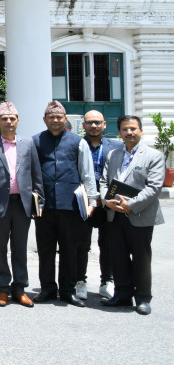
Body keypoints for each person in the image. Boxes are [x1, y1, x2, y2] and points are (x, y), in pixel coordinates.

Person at [32, 100, 97, 307]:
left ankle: (68, 290)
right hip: (44, 206)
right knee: (45, 250)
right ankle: (47, 289)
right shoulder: (35, 141)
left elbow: (87, 174)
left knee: (70, 250)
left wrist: (92, 200)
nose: (55, 120)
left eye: (59, 117)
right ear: (44, 120)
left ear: (65, 119)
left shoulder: (78, 142)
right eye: (51, 117)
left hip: (71, 206)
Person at [0, 102, 43, 308]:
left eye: (12, 118)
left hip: (22, 204)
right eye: (4, 119)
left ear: (18, 121)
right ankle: (2, 288)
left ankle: (19, 289)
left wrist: (39, 202)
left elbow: (36, 174)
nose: (8, 122)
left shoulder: (28, 143)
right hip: (0, 205)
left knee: (20, 248)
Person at [101, 115, 165, 316]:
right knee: (118, 256)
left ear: (141, 130)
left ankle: (143, 298)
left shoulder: (154, 155)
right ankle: (122, 294)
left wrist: (130, 205)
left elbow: (154, 187)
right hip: (115, 214)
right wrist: (106, 201)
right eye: (125, 129)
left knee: (141, 258)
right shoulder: (113, 155)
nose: (129, 132)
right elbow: (104, 182)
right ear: (119, 133)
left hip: (140, 214)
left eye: (133, 128)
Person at [80, 110, 122, 300]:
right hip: (84, 203)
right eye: (90, 122)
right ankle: (80, 281)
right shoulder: (77, 144)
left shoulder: (116, 146)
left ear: (104, 124)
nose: (94, 126)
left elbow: (120, 175)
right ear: (84, 125)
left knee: (108, 245)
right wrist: (89, 198)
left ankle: (107, 282)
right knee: (81, 245)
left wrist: (105, 198)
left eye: (97, 122)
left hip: (108, 203)